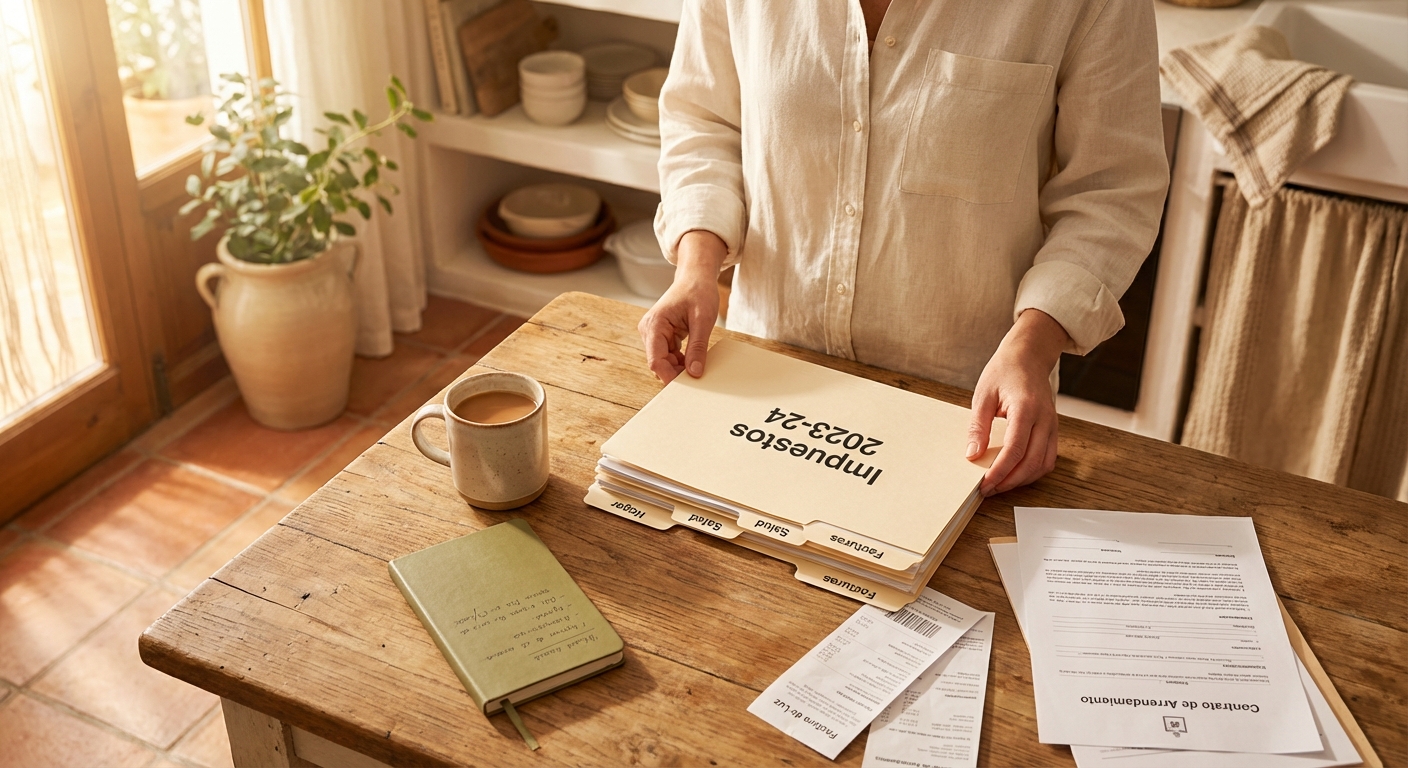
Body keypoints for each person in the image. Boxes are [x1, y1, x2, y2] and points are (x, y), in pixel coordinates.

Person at [639, 0, 1170, 496]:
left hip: (965, 411)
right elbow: (705, 120)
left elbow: (1111, 190)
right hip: (766, 377)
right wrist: (696, 267)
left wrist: (1035, 344)